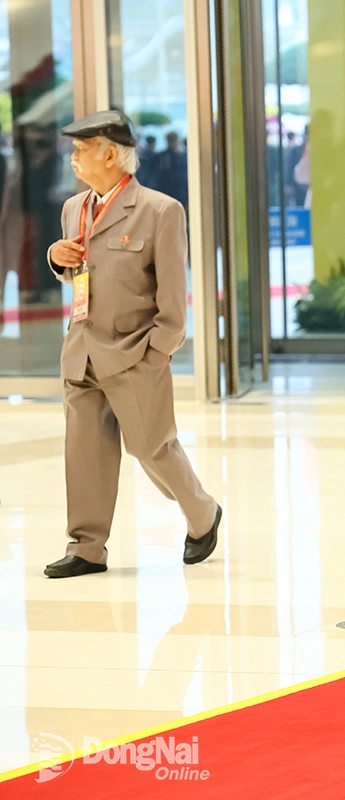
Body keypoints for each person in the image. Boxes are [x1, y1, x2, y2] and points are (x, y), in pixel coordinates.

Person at [42, 110, 222, 579]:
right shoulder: (74, 208)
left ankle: (203, 514)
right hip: (82, 352)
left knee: (152, 448)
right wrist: (56, 258)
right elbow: (80, 272)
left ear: (109, 155)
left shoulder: (160, 211)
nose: (73, 156)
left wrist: (157, 351)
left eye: (82, 148)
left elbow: (173, 295)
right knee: (85, 454)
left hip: (134, 353)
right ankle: (86, 547)